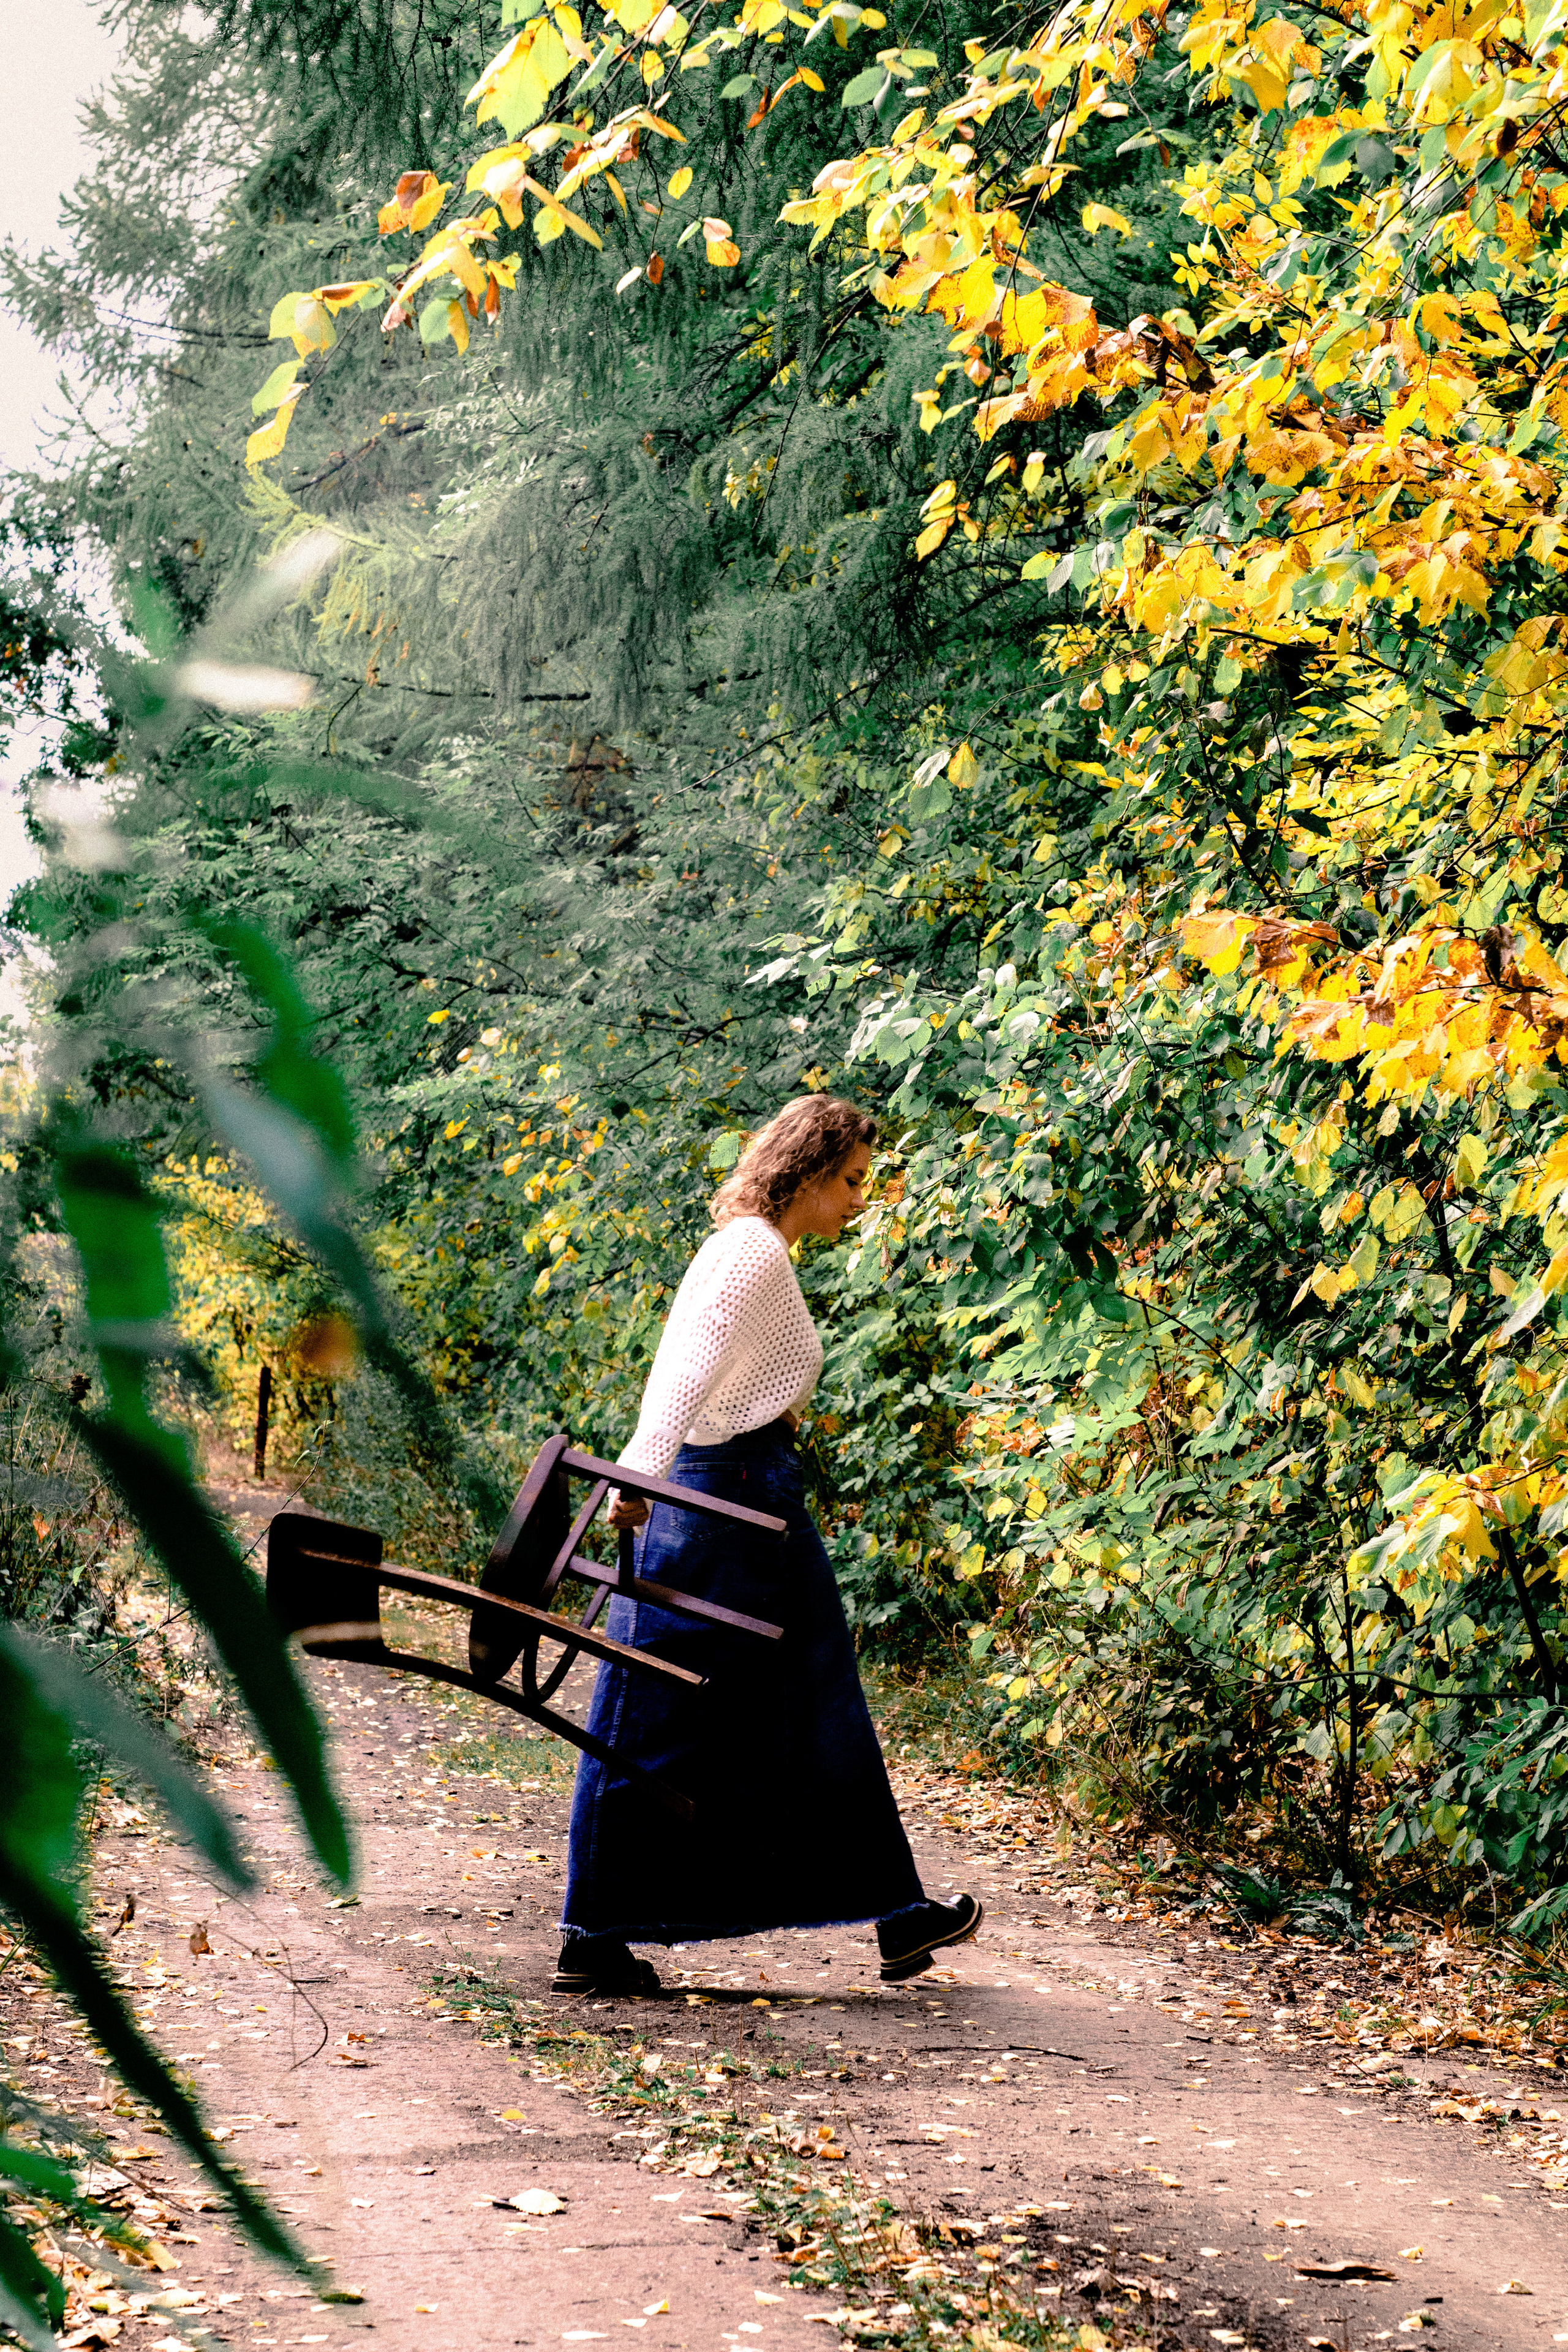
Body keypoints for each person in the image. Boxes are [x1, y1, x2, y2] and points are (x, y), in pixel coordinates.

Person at [554, 1095, 982, 1997]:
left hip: (742, 1491)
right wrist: (638, 1477)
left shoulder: (751, 1248)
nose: (859, 1199)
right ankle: (592, 1934)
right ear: (812, 1171)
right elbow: (684, 1373)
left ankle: (897, 1913)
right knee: (660, 1699)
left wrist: (648, 1476)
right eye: (852, 1180)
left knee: (807, 1699)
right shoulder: (751, 1252)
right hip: (729, 1498)